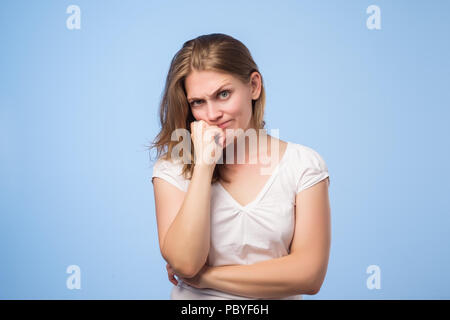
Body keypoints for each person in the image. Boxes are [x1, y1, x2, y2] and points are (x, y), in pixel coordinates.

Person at [149, 33, 331, 300]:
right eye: (198, 102)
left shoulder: (303, 165)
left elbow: (309, 275)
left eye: (223, 94)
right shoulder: (172, 170)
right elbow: (186, 262)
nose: (212, 114)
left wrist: (206, 277)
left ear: (254, 86)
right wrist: (203, 165)